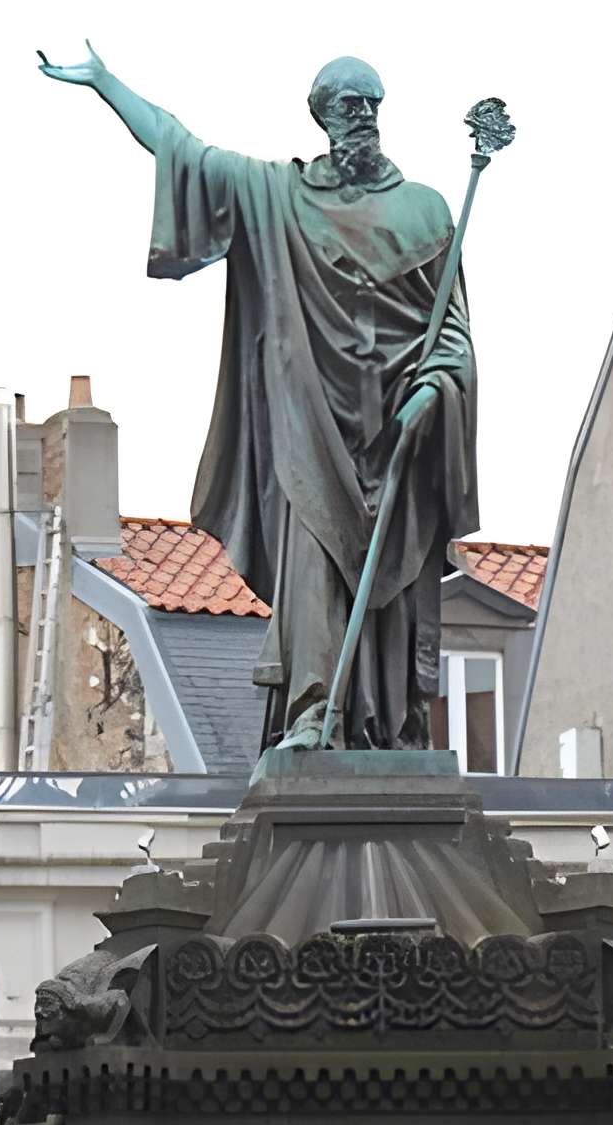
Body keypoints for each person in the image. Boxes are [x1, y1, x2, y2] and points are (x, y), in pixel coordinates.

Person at [39, 46, 476, 755]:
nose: (362, 117)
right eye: (347, 105)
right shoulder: (281, 195)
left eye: (372, 103)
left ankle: (386, 725)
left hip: (400, 424)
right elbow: (185, 150)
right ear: (323, 117)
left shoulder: (425, 210)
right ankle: (314, 711)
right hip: (310, 418)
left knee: (390, 587)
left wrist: (436, 386)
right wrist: (106, 84)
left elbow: (452, 326)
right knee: (311, 560)